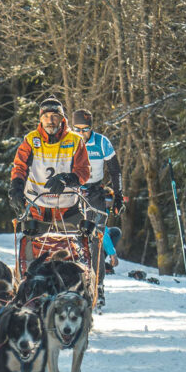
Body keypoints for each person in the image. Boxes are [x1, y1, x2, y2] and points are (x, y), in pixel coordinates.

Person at [8, 95, 91, 225]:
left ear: (62, 118)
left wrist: (66, 178)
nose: (50, 120)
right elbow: (20, 167)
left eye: (55, 116)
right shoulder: (30, 139)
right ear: (40, 119)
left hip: (67, 206)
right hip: (36, 205)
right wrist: (16, 188)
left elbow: (84, 171)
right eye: (45, 116)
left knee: (73, 245)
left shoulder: (75, 140)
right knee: (33, 244)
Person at [70, 108, 123, 304]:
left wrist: (118, 196)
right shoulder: (68, 141)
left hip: (95, 192)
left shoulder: (101, 142)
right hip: (74, 191)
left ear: (91, 128)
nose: (81, 134)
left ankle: (98, 286)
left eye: (85, 129)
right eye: (77, 129)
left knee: (96, 239)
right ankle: (76, 283)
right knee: (74, 237)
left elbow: (115, 170)